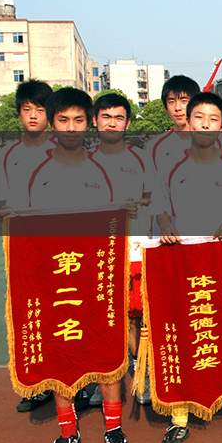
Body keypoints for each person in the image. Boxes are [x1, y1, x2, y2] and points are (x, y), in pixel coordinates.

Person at [26, 88, 128, 443]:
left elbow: (117, 220)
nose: (71, 127)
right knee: (61, 354)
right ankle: (68, 430)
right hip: (56, 278)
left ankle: (113, 427)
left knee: (106, 351)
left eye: (78, 120)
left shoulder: (105, 167)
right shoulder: (37, 171)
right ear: (53, 124)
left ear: (89, 124)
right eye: (63, 120)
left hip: (96, 277)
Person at [155, 93, 222, 443]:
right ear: (189, 120)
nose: (206, 124)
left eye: (213, 119)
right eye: (199, 117)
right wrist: (165, 223)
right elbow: (159, 205)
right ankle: (179, 417)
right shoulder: (171, 163)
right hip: (183, 260)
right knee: (185, 330)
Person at [0, 79, 56, 412]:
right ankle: (38, 384)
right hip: (25, 248)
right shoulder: (8, 154)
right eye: (27, 109)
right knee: (32, 315)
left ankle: (80, 383)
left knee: (68, 312)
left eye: (40, 110)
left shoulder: (65, 150)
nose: (32, 116)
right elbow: (6, 201)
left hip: (62, 246)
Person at [88, 93, 156, 408]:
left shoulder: (142, 159)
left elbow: (157, 199)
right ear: (95, 121)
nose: (112, 123)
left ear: (127, 123)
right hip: (97, 256)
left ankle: (141, 374)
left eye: (118, 118)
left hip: (134, 251)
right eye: (106, 117)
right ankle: (104, 378)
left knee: (135, 318)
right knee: (100, 321)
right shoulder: (82, 161)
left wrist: (140, 203)